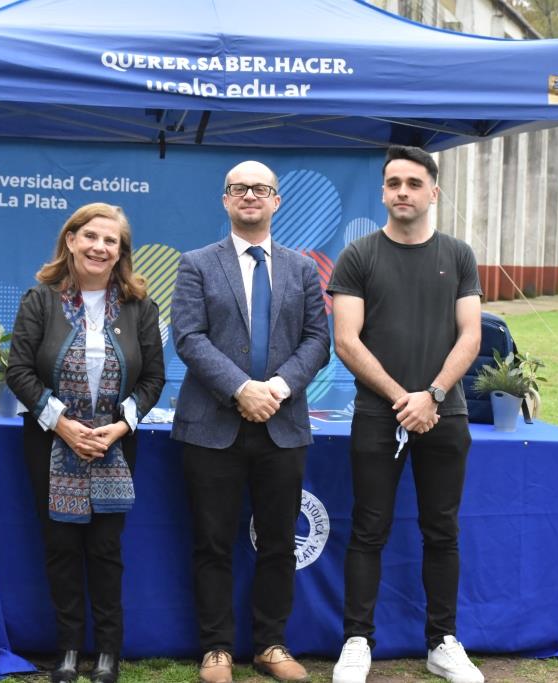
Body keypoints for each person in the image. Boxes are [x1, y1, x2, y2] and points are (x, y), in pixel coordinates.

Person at [327, 145, 484, 683]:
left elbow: (472, 335)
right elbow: (346, 341)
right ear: (383, 193)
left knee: (442, 531)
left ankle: (442, 642)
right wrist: (404, 399)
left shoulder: (459, 255)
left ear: (433, 192)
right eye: (393, 183)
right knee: (369, 530)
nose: (402, 192)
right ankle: (357, 640)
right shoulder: (359, 256)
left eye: (414, 183)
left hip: (446, 414)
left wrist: (433, 395)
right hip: (378, 416)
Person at [170, 161, 330, 683]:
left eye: (260, 189)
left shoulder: (304, 269)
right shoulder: (196, 264)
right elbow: (189, 337)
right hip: (212, 426)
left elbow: (317, 341)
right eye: (239, 189)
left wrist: (276, 390)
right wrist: (242, 389)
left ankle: (270, 645)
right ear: (225, 201)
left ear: (277, 201)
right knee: (211, 541)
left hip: (282, 426)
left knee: (279, 542)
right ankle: (216, 648)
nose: (250, 196)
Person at [6, 203, 164, 683]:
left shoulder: (140, 308)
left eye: (110, 241)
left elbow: (154, 378)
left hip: (114, 446)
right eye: (90, 236)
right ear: (70, 240)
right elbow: (19, 371)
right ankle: (70, 650)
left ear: (121, 252)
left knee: (105, 550)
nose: (99, 247)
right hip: (52, 444)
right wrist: (63, 425)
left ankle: (109, 653)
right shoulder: (40, 300)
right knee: (60, 548)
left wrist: (120, 427)